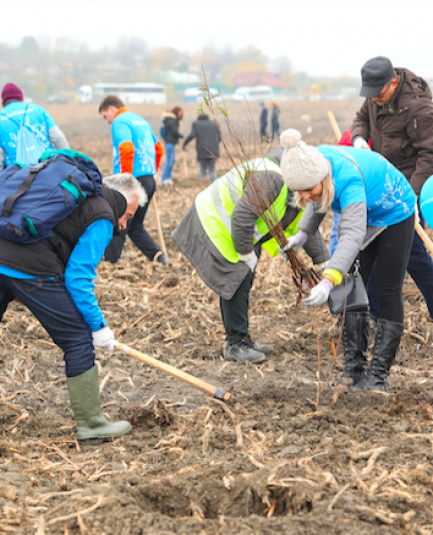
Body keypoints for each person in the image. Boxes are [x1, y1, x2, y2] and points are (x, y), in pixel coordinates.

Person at [0, 172, 145, 443]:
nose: (123, 225)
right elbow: (78, 278)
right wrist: (98, 327)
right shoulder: (103, 216)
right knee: (77, 339)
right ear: (121, 200)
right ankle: (91, 425)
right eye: (128, 214)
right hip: (30, 268)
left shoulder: (60, 191)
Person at [280, 129, 416, 393]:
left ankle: (377, 375)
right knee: (352, 285)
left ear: (324, 178)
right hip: (365, 210)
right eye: (300, 192)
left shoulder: (349, 180)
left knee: (387, 291)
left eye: (309, 189)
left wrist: (328, 280)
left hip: (394, 211)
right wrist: (303, 232)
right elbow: (316, 200)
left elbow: (352, 234)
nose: (306, 195)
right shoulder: (314, 162)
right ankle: (354, 368)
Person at [172, 146, 330, 362]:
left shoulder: (297, 190)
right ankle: (235, 344)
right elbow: (241, 217)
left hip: (239, 227)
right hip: (215, 220)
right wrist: (246, 254)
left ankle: (241, 339)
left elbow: (306, 229)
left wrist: (325, 263)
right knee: (238, 276)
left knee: (244, 278)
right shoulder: (273, 180)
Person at [350, 56, 433, 320]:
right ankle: (374, 314)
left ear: (393, 83)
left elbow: (429, 155)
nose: (373, 99)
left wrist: (411, 195)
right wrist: (360, 139)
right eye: (370, 94)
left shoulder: (419, 108)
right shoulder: (375, 96)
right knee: (372, 249)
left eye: (377, 94)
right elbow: (361, 118)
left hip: (407, 186)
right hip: (379, 185)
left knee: (413, 255)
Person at [99, 95, 166, 264]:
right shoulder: (141, 121)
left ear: (111, 110)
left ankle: (109, 263)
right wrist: (153, 172)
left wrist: (125, 179)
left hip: (132, 181)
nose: (107, 122)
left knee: (118, 223)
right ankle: (159, 256)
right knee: (135, 226)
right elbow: (158, 149)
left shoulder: (119, 121)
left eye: (105, 116)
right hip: (148, 179)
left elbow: (126, 148)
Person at [0, 83, 69, 179]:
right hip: (49, 168)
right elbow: (58, 138)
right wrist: (69, 165)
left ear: (4, 102)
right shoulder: (38, 109)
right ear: (21, 98)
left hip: (19, 176)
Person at [183, 113, 221, 181]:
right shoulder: (215, 123)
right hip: (214, 151)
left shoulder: (196, 124)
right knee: (212, 170)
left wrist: (185, 143)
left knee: (202, 170)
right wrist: (214, 144)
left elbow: (192, 135)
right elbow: (219, 138)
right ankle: (213, 185)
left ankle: (201, 186)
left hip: (202, 150)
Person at [160, 106, 183, 184]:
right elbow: (174, 132)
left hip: (168, 143)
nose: (181, 114)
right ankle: (164, 179)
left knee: (170, 161)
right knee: (169, 162)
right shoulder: (173, 121)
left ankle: (167, 179)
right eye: (180, 112)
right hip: (170, 144)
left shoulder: (168, 120)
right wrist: (180, 135)